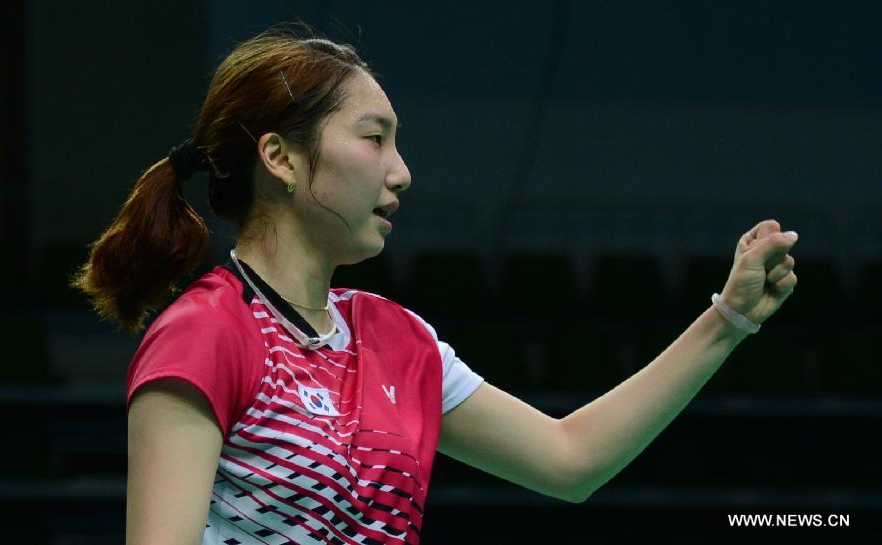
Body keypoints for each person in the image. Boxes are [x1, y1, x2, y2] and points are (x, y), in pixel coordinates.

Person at [74, 25, 798, 545]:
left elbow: (571, 458)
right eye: (374, 137)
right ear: (281, 157)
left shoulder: (400, 342)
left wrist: (728, 319)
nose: (401, 170)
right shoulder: (208, 331)